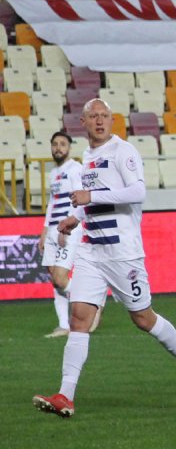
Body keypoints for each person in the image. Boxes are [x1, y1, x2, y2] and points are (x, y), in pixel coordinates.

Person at [32, 98, 176, 418]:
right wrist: (76, 216)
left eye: (104, 116)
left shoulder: (123, 151)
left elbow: (137, 192)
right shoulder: (88, 157)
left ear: (112, 121)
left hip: (123, 253)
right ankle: (65, 395)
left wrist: (90, 198)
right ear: (82, 123)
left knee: (143, 319)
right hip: (92, 250)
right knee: (79, 318)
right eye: (93, 116)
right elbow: (92, 200)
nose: (99, 121)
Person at [37, 131, 83, 338]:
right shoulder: (53, 173)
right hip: (53, 231)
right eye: (55, 144)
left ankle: (92, 304)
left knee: (61, 277)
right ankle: (64, 325)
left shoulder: (75, 169)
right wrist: (44, 230)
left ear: (69, 147)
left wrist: (67, 227)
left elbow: (79, 201)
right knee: (54, 280)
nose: (58, 148)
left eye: (62, 144)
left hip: (68, 229)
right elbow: (52, 203)